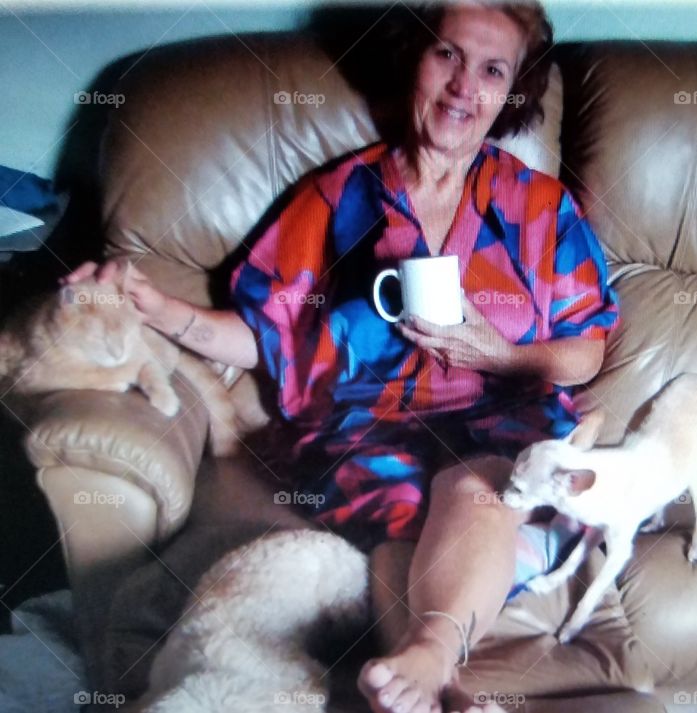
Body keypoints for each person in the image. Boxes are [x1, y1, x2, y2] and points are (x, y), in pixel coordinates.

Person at [65, 2, 620, 712]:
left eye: (492, 70)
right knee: (399, 509)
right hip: (369, 425)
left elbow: (586, 352)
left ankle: (430, 657)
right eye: (447, 55)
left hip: (502, 415)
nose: (464, 86)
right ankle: (436, 682)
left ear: (513, 90)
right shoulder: (336, 200)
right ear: (413, 58)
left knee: (480, 486)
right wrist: (159, 309)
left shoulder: (539, 208)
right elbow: (266, 335)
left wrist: (505, 353)